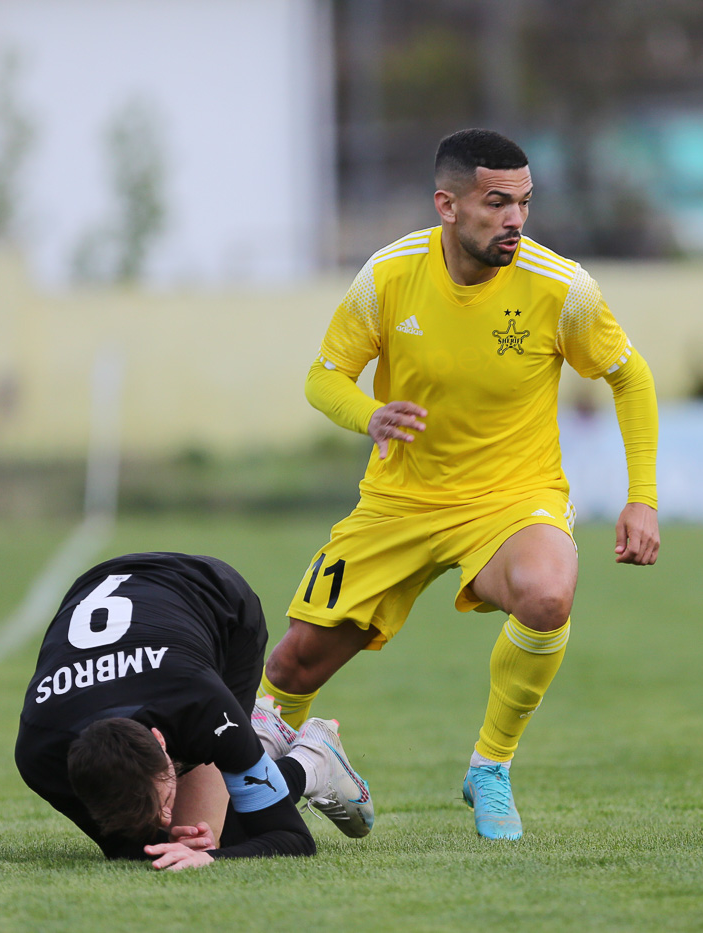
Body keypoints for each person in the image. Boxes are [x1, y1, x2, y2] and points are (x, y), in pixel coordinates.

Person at [260, 128, 660, 841]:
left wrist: (643, 497)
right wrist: (369, 414)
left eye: (525, 203)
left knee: (548, 592)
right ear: (447, 205)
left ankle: (491, 766)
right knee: (294, 662)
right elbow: (324, 376)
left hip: (513, 498)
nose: (515, 219)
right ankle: (276, 773)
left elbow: (630, 377)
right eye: (497, 203)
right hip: (399, 501)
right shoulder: (388, 276)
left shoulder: (562, 288)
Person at [14, 552, 373, 870]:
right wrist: (169, 836)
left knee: (221, 838)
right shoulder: (40, 756)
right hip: (108, 599)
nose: (166, 819)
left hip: (213, 598)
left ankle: (312, 760)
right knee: (159, 847)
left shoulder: (201, 705)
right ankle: (254, 742)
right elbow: (131, 847)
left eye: (164, 800)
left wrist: (212, 858)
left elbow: (291, 839)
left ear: (161, 742)